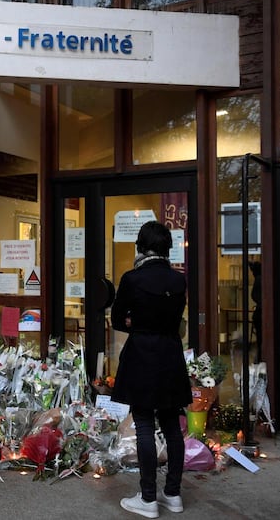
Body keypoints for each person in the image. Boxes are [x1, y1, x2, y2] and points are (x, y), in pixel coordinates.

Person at [110, 221, 191, 518]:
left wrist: (135, 321)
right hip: (170, 354)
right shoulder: (179, 281)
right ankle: (173, 494)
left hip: (142, 355)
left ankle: (147, 499)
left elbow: (118, 320)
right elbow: (174, 319)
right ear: (167, 248)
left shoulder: (132, 278)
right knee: (171, 425)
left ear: (141, 246)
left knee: (144, 423)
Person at [250, 261, 262, 362]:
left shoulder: (258, 279)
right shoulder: (263, 277)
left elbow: (254, 295)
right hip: (260, 313)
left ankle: (261, 356)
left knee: (260, 338)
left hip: (259, 313)